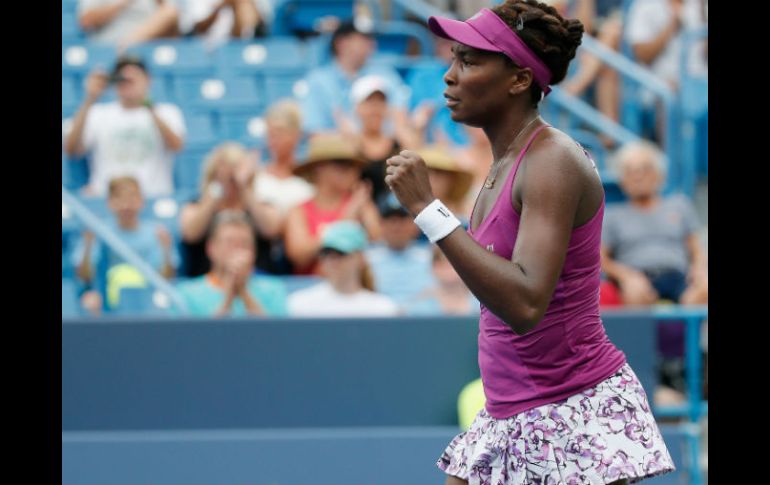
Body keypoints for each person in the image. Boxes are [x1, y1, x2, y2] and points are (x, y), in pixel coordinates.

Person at [384, 2, 674, 483]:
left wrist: (428, 211)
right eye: (454, 58)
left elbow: (523, 303)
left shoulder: (551, 161)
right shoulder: (506, 163)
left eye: (470, 61)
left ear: (519, 80)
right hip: (512, 408)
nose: (450, 76)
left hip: (568, 406)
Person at [63, 54, 186, 198]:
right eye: (122, 78)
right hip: (106, 199)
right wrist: (90, 98)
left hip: (152, 196)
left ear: (148, 79)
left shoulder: (167, 111)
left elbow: (176, 145)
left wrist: (146, 103)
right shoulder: (97, 114)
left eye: (134, 77)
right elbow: (71, 150)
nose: (127, 82)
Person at [601, 140, 707, 306]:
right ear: (622, 180)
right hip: (637, 277)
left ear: (660, 175)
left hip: (678, 276)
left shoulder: (680, 205)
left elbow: (697, 250)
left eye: (645, 169)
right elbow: (602, 259)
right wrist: (626, 276)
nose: (637, 176)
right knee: (634, 293)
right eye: (630, 171)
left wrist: (699, 271)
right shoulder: (612, 214)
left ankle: (688, 332)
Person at [74, 176, 180, 314]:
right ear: (109, 202)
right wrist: (88, 246)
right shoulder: (97, 231)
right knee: (90, 301)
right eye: (119, 197)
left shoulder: (156, 234)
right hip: (106, 300)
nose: (126, 204)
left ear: (141, 201)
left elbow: (167, 277)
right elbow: (85, 276)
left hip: (148, 299)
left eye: (132, 197)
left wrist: (166, 250)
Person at [283, 134, 382, 275]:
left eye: (353, 166)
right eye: (341, 164)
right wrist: (346, 219)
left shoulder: (362, 203)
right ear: (319, 168)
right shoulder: (298, 211)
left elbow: (378, 242)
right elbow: (299, 256)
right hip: (312, 287)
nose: (351, 171)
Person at [179, 142, 282, 276]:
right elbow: (190, 233)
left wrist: (245, 187)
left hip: (256, 280)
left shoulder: (261, 205)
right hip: (206, 281)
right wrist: (216, 190)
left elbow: (271, 229)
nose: (231, 178)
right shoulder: (196, 205)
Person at [177, 210, 288, 317]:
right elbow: (200, 335)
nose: (237, 249)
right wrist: (228, 297)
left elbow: (274, 333)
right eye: (229, 242)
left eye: (244, 243)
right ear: (211, 248)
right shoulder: (188, 294)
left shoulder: (274, 289)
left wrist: (243, 292)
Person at [287, 221, 399, 317]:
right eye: (326, 254)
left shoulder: (383, 309)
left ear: (360, 258)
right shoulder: (298, 304)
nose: (332, 260)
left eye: (341, 253)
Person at [364, 193, 435, 310]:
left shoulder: (430, 257)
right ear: (380, 224)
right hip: (378, 320)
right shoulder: (366, 258)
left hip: (421, 320)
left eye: (402, 220)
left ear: (415, 224)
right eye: (390, 220)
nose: (396, 226)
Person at [77, 0, 180, 51]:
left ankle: (127, 46)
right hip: (108, 46)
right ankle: (125, 48)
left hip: (147, 45)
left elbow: (170, 15)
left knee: (170, 12)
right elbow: (86, 20)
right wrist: (123, 3)